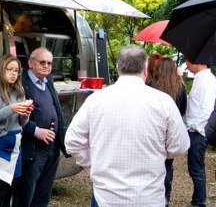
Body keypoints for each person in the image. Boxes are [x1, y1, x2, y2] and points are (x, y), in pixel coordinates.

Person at [65, 44, 190, 207]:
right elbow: (180, 146)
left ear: (117, 68)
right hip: (149, 197)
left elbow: (72, 141)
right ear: (146, 69)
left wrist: (92, 166)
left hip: (106, 197)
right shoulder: (163, 102)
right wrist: (158, 152)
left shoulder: (96, 100)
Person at [12, 47, 70, 207]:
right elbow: (13, 115)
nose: (46, 66)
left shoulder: (48, 81)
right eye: (42, 62)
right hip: (32, 147)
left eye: (49, 63)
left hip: (52, 147)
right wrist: (36, 131)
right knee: (25, 194)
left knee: (43, 194)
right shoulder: (20, 83)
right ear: (31, 63)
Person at [0, 54, 33, 207]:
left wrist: (26, 113)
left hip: (15, 145)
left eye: (17, 70)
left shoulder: (19, 89)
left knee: (10, 193)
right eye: (10, 69)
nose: (14, 73)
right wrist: (11, 108)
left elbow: (22, 123)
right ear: (1, 69)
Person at [150, 57, 187, 206]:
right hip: (171, 133)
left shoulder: (151, 85)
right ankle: (166, 196)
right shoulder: (180, 87)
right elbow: (183, 110)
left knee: (154, 163)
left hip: (154, 131)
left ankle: (154, 194)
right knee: (168, 165)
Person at [185, 59, 216, 207]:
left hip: (199, 131)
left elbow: (207, 109)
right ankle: (197, 198)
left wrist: (194, 127)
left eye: (188, 61)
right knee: (195, 167)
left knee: (196, 168)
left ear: (197, 62)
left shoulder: (207, 80)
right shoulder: (201, 79)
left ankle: (200, 201)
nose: (186, 64)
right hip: (195, 129)